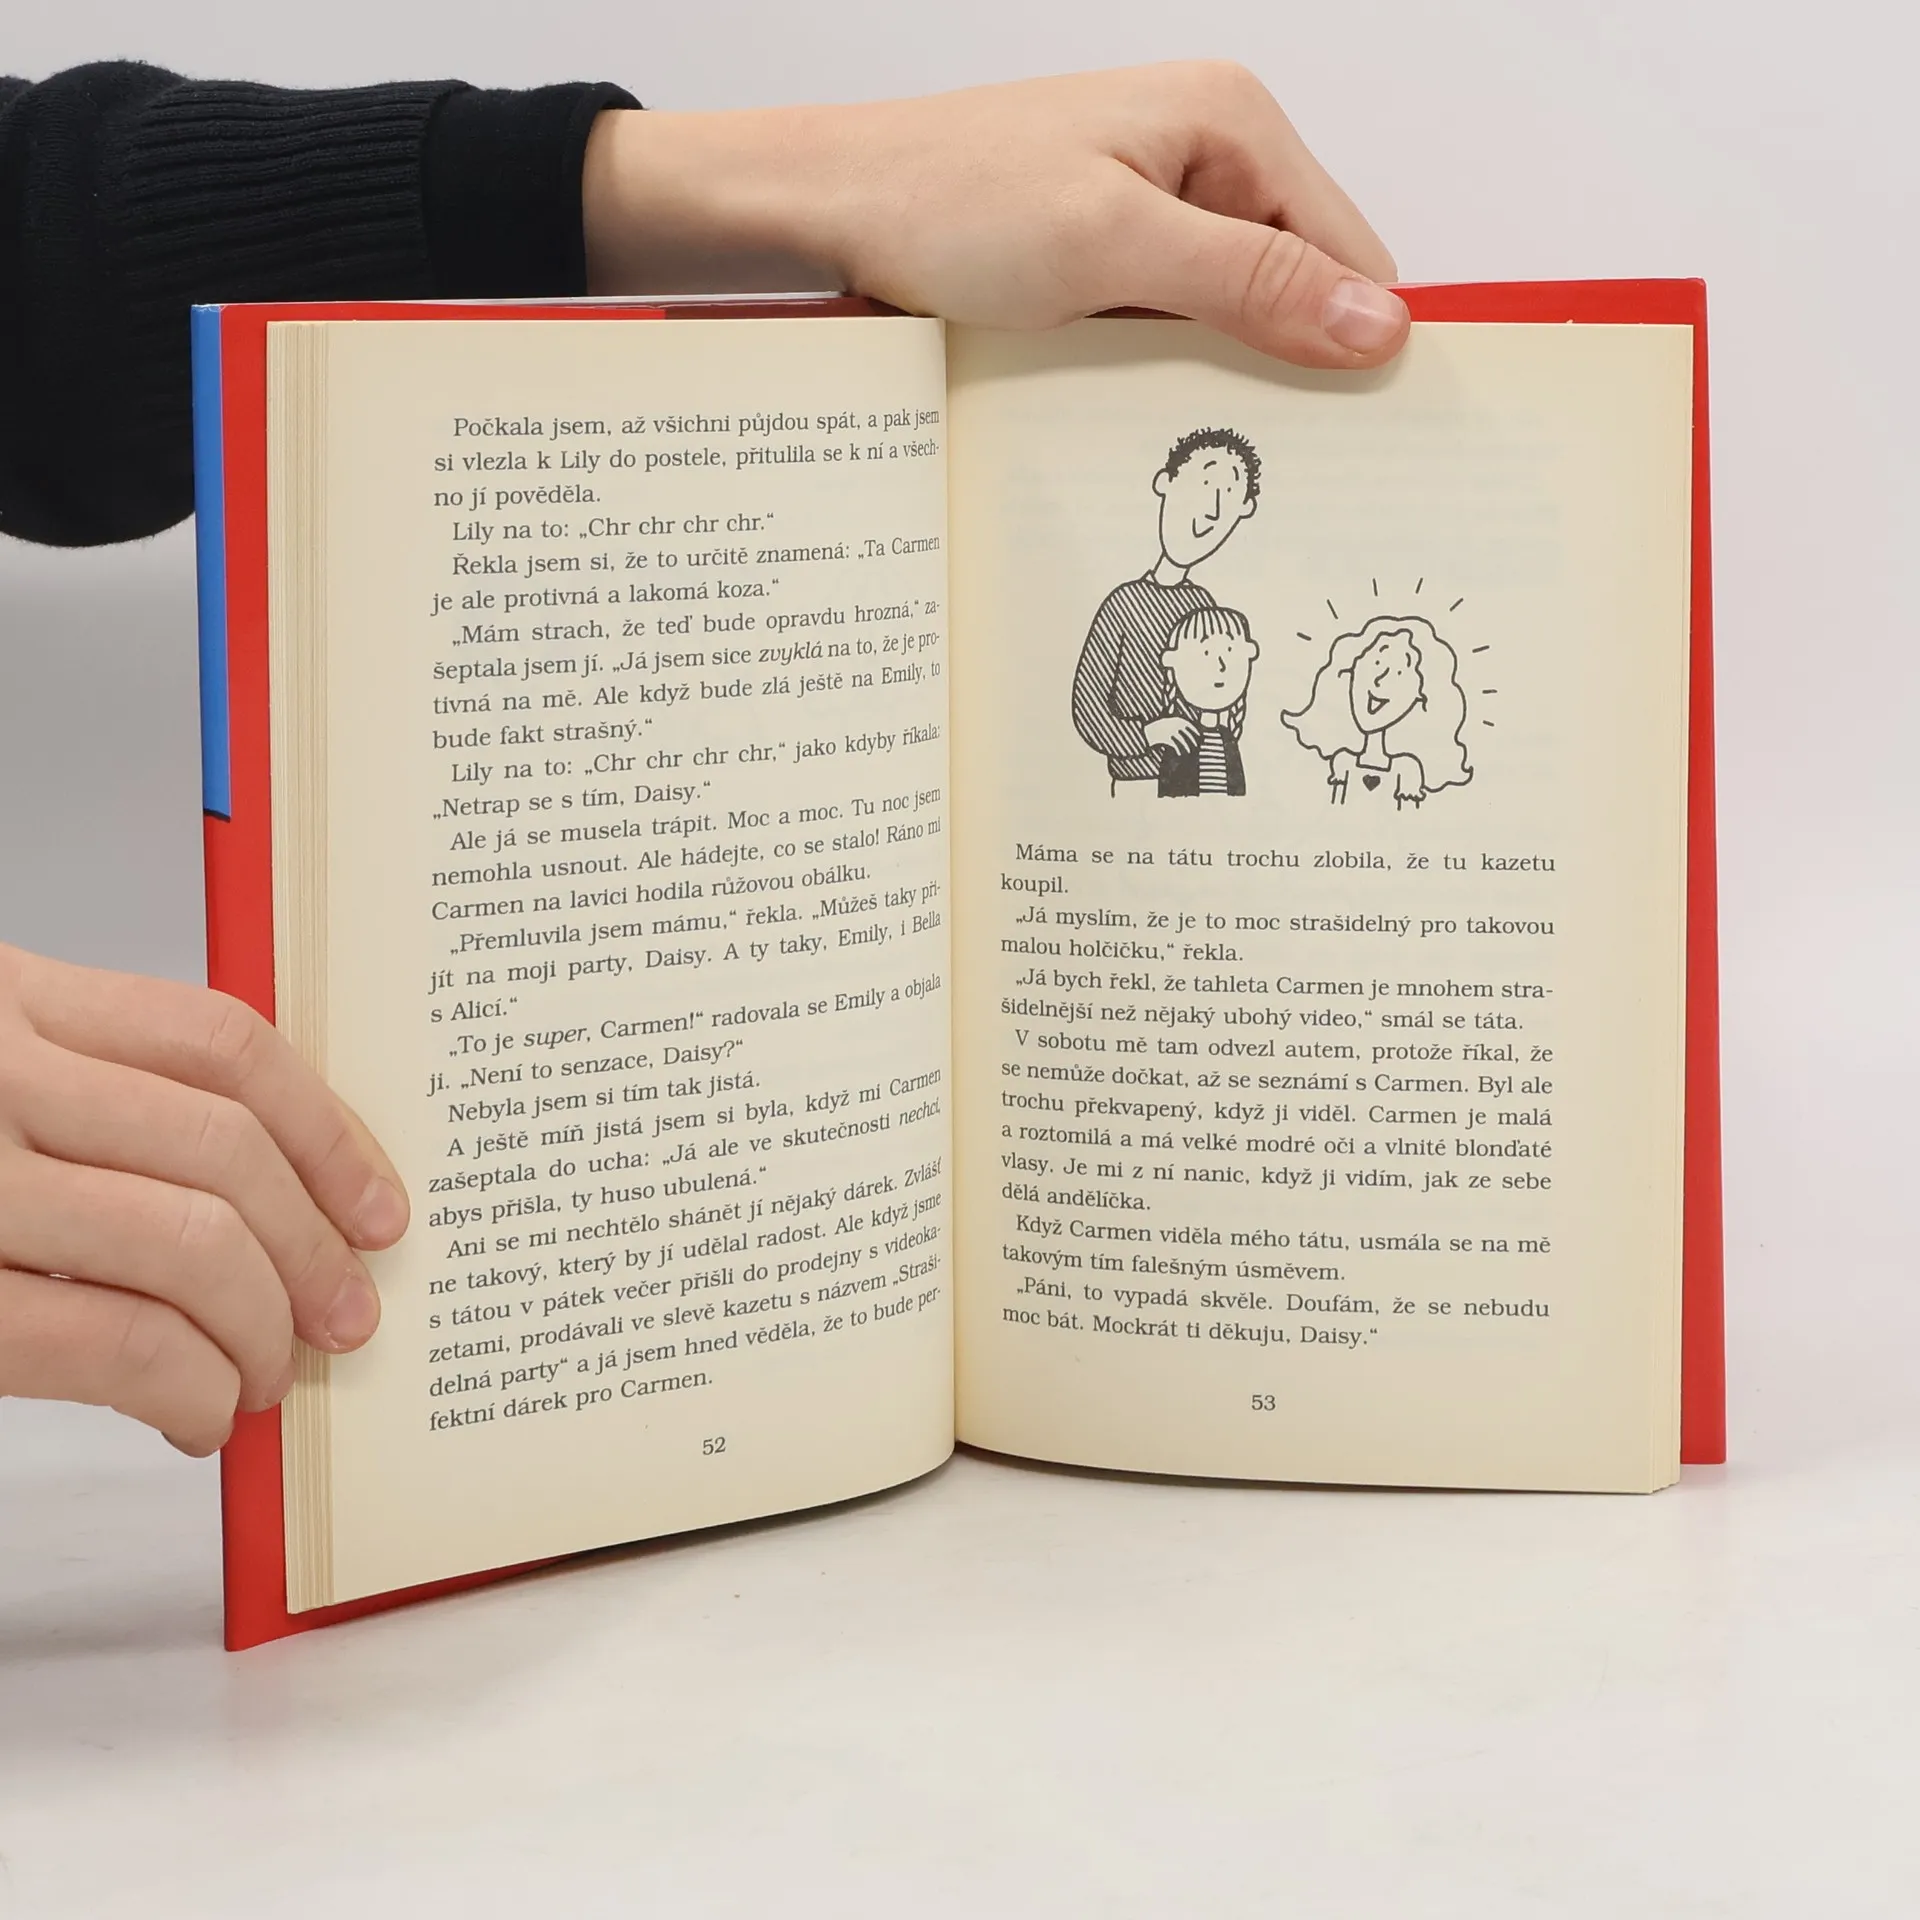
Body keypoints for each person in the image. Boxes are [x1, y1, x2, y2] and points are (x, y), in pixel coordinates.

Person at [0, 59, 1410, 1455]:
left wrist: (780, 180)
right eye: (1200, 492)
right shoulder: (1126, 618)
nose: (1212, 521)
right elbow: (1102, 712)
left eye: (1231, 505)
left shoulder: (1220, 624)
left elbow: (42, 279)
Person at [1070, 426, 1261, 793]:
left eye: (1228, 496)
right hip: (1136, 784)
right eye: (1204, 485)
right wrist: (1147, 734)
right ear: (1165, 483)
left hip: (1200, 782)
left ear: (1242, 511)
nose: (1211, 511)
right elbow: (1088, 710)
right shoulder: (1124, 604)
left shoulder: (1204, 608)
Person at [1282, 613, 1474, 809]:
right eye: (1376, 664)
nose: (1379, 681)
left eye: (1398, 673)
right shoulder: (1342, 763)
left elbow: (1410, 821)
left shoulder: (1407, 771)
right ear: (1350, 673)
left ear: (1420, 696)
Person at [1154, 605, 1259, 797]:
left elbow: (1237, 792)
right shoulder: (1182, 740)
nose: (1220, 665)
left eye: (1229, 650)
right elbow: (1171, 794)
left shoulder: (1228, 739)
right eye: (1206, 653)